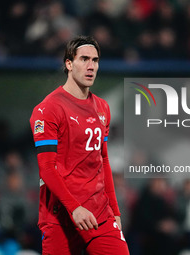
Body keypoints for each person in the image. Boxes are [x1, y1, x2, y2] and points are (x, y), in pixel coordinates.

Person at [29, 35, 129, 255]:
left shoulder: (102, 108)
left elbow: (103, 160)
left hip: (99, 212)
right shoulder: (48, 109)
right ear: (69, 64)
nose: (91, 66)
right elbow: (47, 168)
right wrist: (74, 208)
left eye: (95, 60)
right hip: (61, 214)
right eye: (84, 59)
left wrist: (115, 210)